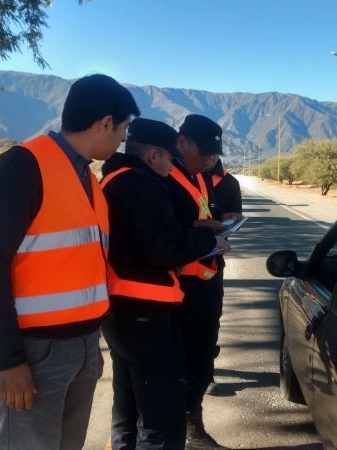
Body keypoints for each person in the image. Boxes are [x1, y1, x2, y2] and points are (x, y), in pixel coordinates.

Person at [0, 74, 139, 450]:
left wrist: (88, 343)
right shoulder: (24, 165)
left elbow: (79, 267)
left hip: (78, 347)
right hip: (34, 352)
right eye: (123, 128)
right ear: (105, 123)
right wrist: (8, 360)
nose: (123, 139)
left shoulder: (87, 179)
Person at [100, 118, 229, 450]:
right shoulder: (140, 184)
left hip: (123, 308)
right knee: (162, 420)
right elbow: (164, 248)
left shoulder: (118, 179)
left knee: (129, 405)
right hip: (143, 312)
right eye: (171, 158)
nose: (174, 165)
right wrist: (203, 238)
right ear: (154, 155)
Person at [166, 114, 236, 449]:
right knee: (182, 364)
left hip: (207, 279)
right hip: (180, 289)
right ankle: (185, 430)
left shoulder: (202, 176)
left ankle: (192, 424)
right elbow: (167, 233)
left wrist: (221, 222)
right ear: (182, 142)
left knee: (202, 357)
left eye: (214, 156)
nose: (210, 160)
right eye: (204, 153)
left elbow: (205, 213)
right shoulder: (164, 175)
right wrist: (205, 228)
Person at [206, 159, 242, 395]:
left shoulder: (229, 183)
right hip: (181, 263)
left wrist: (232, 219)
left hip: (213, 261)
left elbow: (236, 215)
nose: (208, 159)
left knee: (211, 319)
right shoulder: (180, 176)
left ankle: (207, 372)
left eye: (212, 155)